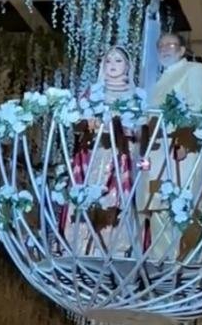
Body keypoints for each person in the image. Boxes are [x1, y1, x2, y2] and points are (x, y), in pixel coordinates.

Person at [137, 32, 202, 260]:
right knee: (155, 207)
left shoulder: (194, 70)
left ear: (181, 50)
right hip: (157, 151)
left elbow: (197, 107)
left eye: (170, 45)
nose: (164, 49)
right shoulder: (160, 78)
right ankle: (157, 262)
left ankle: (173, 264)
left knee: (173, 206)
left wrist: (185, 142)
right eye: (160, 46)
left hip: (178, 149)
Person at [63, 46, 140, 256]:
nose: (113, 66)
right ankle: (79, 247)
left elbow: (140, 129)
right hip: (92, 155)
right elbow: (75, 123)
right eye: (109, 61)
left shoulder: (134, 96)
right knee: (86, 199)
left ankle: (110, 250)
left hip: (119, 156)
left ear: (127, 66)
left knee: (114, 200)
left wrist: (121, 126)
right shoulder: (91, 92)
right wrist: (85, 121)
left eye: (118, 61)